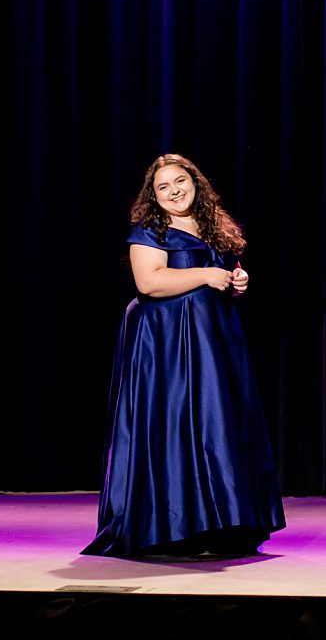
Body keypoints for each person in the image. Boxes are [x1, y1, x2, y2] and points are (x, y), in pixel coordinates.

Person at [80, 154, 286, 561]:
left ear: (195, 182)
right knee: (177, 426)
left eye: (180, 181)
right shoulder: (150, 230)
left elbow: (223, 274)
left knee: (219, 427)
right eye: (163, 187)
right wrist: (206, 275)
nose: (174, 191)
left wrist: (235, 279)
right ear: (153, 197)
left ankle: (228, 525)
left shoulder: (213, 226)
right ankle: (179, 528)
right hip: (169, 347)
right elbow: (149, 282)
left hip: (213, 343)